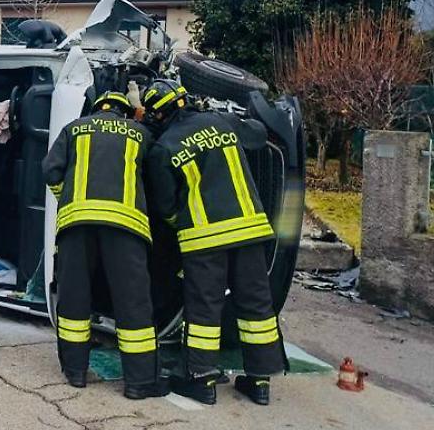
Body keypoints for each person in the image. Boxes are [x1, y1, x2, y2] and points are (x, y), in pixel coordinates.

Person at [142, 78, 285, 406]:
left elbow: (165, 207)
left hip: (204, 237)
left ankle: (201, 379)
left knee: (204, 307)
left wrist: (179, 227)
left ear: (158, 115)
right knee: (256, 307)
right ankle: (260, 381)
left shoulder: (164, 147)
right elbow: (257, 136)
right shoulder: (222, 123)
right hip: (250, 229)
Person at [41, 90, 169, 399]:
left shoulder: (73, 128)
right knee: (132, 302)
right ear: (124, 112)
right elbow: (156, 177)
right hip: (125, 227)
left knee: (74, 297)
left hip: (76, 224)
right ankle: (139, 382)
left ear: (96, 108)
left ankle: (75, 372)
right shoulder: (140, 133)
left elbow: (50, 170)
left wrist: (68, 197)